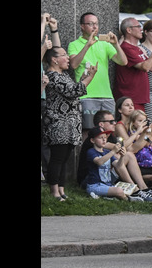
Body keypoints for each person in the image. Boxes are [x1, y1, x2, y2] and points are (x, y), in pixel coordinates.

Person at [42, 46, 97, 200]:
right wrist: (90, 77)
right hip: (58, 123)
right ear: (54, 59)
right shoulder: (52, 76)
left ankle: (62, 190)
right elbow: (73, 91)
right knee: (57, 158)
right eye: (64, 55)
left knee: (65, 158)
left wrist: (84, 77)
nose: (67, 58)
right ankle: (54, 192)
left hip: (71, 123)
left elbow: (74, 87)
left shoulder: (64, 74)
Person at [67, 12, 129, 132]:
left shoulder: (104, 43)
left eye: (96, 24)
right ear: (82, 26)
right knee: (89, 131)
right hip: (86, 95)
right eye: (90, 24)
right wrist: (87, 45)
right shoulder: (74, 45)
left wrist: (116, 44)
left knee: (109, 132)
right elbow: (74, 64)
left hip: (106, 95)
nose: (94, 27)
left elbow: (123, 62)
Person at [114, 17, 152, 109]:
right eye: (138, 26)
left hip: (138, 99)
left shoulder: (137, 48)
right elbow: (145, 67)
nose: (141, 29)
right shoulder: (126, 48)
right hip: (129, 100)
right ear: (129, 30)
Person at [82, 127, 142, 201]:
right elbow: (99, 162)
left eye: (105, 137)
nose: (104, 139)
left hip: (107, 184)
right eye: (100, 138)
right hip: (95, 186)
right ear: (92, 140)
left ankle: (109, 197)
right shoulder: (91, 151)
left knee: (129, 186)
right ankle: (128, 199)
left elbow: (118, 165)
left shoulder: (107, 152)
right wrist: (113, 151)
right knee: (119, 191)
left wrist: (122, 157)